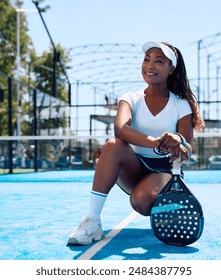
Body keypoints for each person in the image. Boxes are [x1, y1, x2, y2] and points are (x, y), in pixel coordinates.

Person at [67, 41, 205, 246]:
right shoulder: (130, 98)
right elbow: (121, 129)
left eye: (159, 61)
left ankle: (165, 203)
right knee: (114, 144)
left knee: (141, 203)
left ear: (171, 69)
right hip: (133, 166)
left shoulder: (181, 104)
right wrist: (155, 142)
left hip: (164, 171)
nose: (150, 65)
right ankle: (93, 221)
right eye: (147, 60)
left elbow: (188, 146)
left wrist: (179, 141)